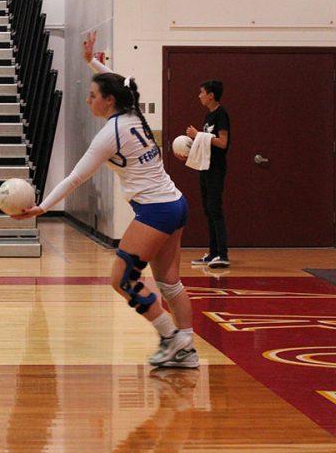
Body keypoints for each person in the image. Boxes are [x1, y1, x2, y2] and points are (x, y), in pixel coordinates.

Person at [13, 32, 198, 369]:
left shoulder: (110, 134)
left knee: (121, 279)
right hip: (175, 203)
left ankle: (172, 338)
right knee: (170, 283)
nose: (88, 101)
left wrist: (42, 207)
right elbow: (123, 82)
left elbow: (75, 178)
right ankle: (187, 348)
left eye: (92, 95)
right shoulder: (135, 113)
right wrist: (92, 64)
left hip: (156, 211)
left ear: (109, 101)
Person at [188, 80, 231, 268]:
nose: (199, 96)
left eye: (202, 92)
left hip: (216, 169)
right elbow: (204, 144)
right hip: (205, 167)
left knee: (215, 208)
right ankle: (213, 253)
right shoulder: (207, 115)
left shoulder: (221, 114)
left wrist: (198, 134)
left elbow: (222, 143)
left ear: (211, 95)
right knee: (208, 209)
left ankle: (223, 254)